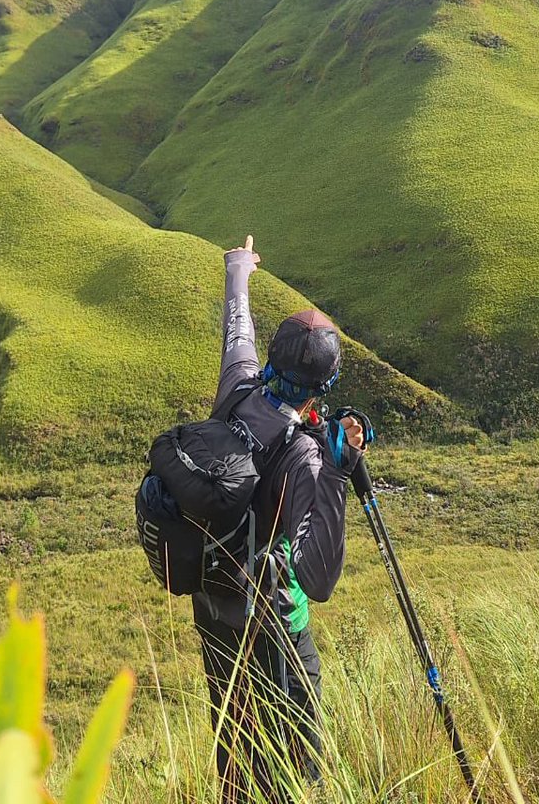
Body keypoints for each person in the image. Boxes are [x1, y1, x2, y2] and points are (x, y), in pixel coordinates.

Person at [193, 235, 365, 804]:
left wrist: (239, 269)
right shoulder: (302, 455)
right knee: (294, 770)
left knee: (235, 752)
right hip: (275, 630)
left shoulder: (237, 387)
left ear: (272, 358)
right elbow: (318, 580)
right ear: (325, 386)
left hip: (214, 612)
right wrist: (336, 474)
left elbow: (236, 330)